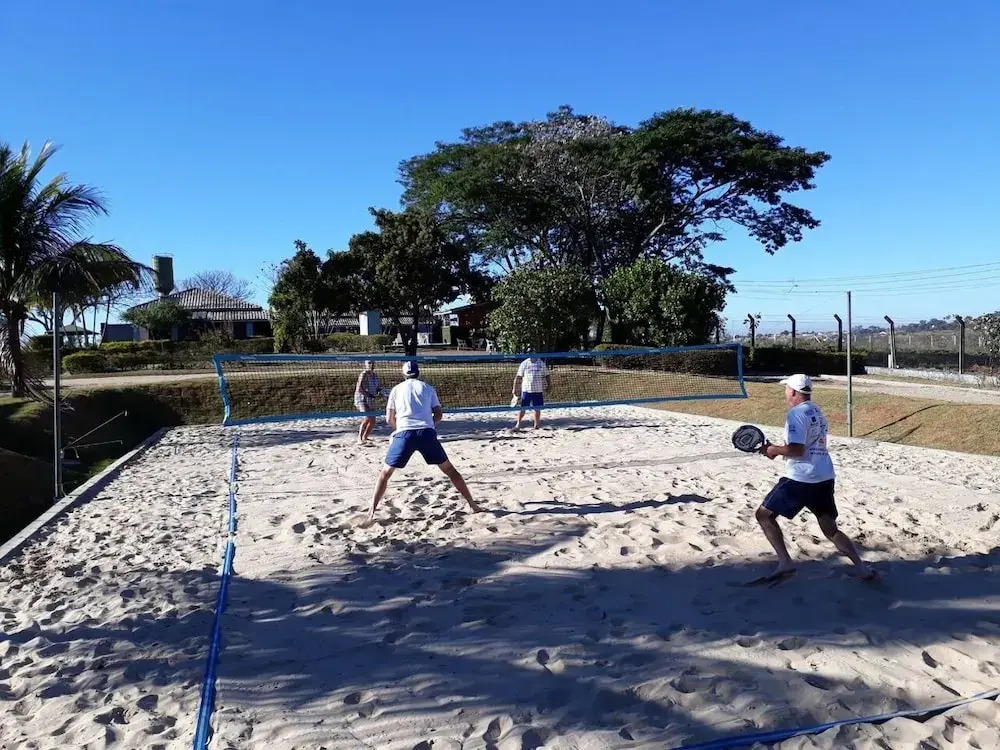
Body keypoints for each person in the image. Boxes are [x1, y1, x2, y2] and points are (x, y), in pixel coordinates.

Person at [753, 374, 876, 582]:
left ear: (793, 391)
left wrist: (773, 450)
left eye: (786, 390)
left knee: (764, 515)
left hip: (802, 478)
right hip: (824, 475)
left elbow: (797, 450)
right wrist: (779, 449)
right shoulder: (816, 410)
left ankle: (785, 562)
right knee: (830, 529)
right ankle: (861, 567)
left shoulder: (796, 414)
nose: (785, 394)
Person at [368, 360, 480, 522]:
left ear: (403, 374)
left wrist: (399, 430)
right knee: (450, 470)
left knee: (385, 474)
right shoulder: (428, 388)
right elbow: (439, 414)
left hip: (404, 434)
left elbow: (389, 419)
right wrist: (429, 425)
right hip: (426, 433)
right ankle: (473, 505)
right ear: (418, 373)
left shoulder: (396, 390)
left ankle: (371, 513)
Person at [511, 348, 551, 430]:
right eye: (529, 353)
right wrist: (514, 388)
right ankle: (518, 424)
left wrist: (549, 385)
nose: (531, 354)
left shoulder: (541, 363)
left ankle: (536, 425)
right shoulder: (524, 363)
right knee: (523, 408)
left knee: (537, 409)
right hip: (527, 390)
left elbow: (547, 375)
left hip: (538, 390)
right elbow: (518, 377)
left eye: (532, 352)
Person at [354, 360, 381, 445]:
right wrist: (368, 395)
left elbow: (378, 388)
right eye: (369, 363)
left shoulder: (375, 375)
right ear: (365, 364)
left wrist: (381, 392)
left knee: (373, 420)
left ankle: (365, 437)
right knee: (367, 417)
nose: (371, 364)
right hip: (361, 399)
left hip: (370, 399)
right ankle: (359, 438)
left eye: (372, 362)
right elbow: (359, 389)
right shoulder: (363, 374)